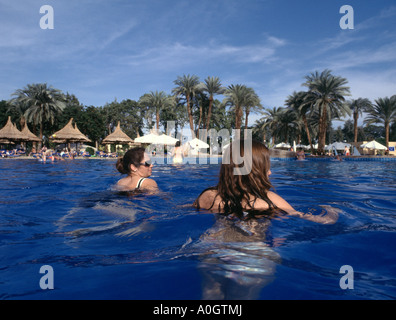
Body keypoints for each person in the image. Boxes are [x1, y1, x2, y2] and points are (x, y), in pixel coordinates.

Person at [193, 140, 339, 224]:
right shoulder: (268, 200)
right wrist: (332, 212)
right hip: (252, 254)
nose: (270, 172)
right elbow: (315, 219)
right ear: (253, 171)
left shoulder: (207, 196)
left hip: (211, 247)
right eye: (266, 167)